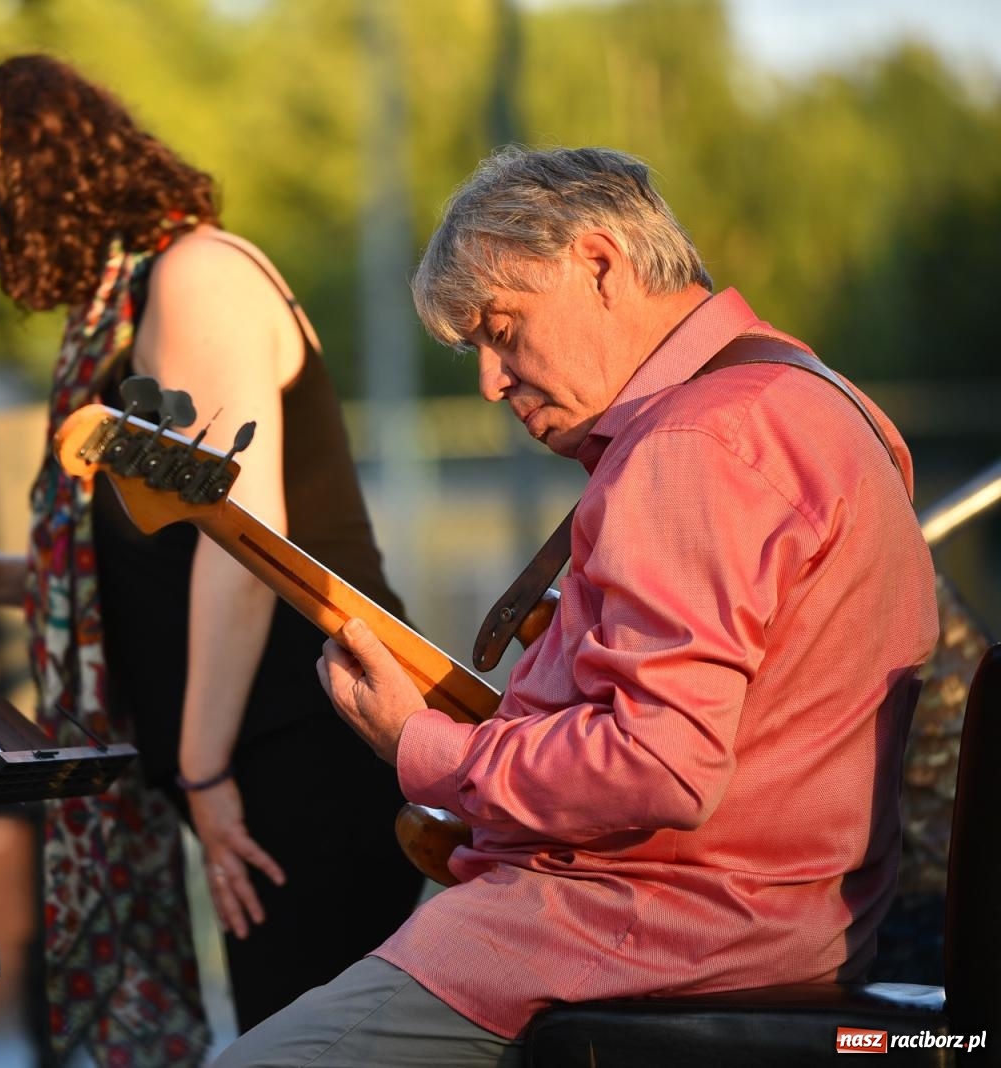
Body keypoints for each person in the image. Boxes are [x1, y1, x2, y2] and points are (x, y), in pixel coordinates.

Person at [215, 145, 940, 1067]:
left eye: (503, 328)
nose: (490, 381)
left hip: (632, 933)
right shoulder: (814, 398)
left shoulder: (695, 443)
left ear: (599, 263)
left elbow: (656, 763)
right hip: (759, 922)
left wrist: (420, 745)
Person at [0, 55, 421, 1066]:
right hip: (259, 749)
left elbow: (238, 541)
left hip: (306, 740)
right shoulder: (123, 312)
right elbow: (161, 547)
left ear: (35, 190)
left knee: (303, 1046)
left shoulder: (198, 278)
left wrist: (204, 769)